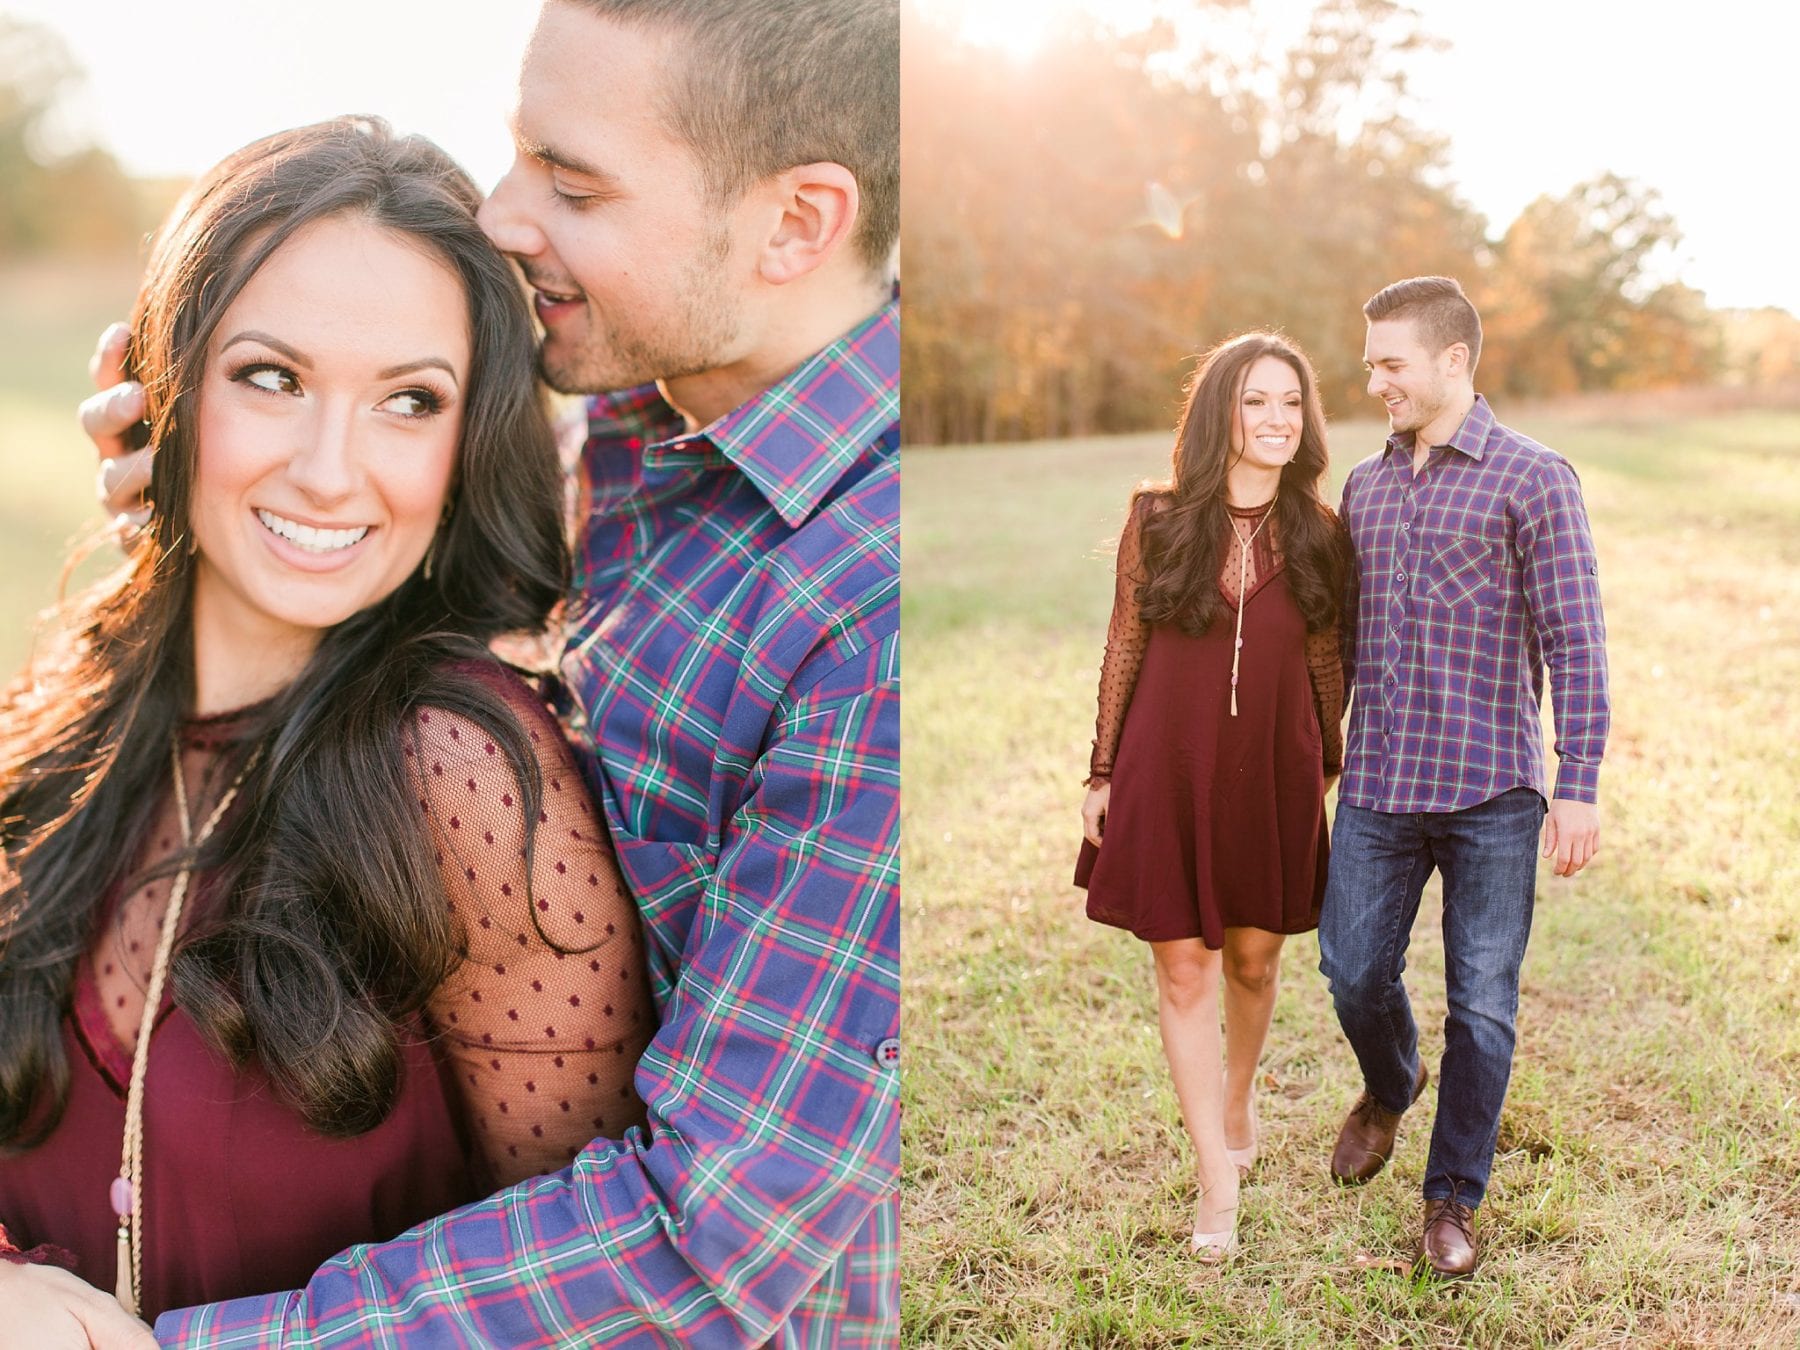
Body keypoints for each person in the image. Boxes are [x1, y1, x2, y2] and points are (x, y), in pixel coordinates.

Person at [79, 0, 900, 1344]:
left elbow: (716, 1243)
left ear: (797, 224)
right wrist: (208, 495)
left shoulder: (876, 623)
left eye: (571, 185)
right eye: (518, 153)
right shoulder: (638, 419)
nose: (507, 215)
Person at [0, 117, 653, 1338]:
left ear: (467, 447)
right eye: (272, 378)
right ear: (161, 379)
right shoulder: (51, 725)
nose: (328, 471)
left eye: (410, 401)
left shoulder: (463, 775)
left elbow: (595, 1293)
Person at [1321, 275, 1608, 1278]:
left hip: (1492, 789)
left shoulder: (1535, 478)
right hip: (1380, 784)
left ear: (1453, 361)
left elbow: (1575, 638)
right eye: (1370, 365)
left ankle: (1451, 1197)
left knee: (1482, 1003)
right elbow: (1342, 643)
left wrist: (1581, 783)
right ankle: (1390, 1085)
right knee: (1352, 969)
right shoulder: (1362, 486)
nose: (1376, 382)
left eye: (1390, 363)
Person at [1075, 332, 1350, 1261]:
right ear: (1220, 413)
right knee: (1183, 966)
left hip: (1274, 767)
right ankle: (1214, 1173)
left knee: (1254, 962)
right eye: (1255, 401)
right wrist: (1102, 771)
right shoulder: (1157, 519)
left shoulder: (1320, 528)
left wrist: (1327, 764)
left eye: (1290, 403)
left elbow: (1328, 659)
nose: (1276, 420)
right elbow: (1124, 646)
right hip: (1167, 761)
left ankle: (1238, 1097)